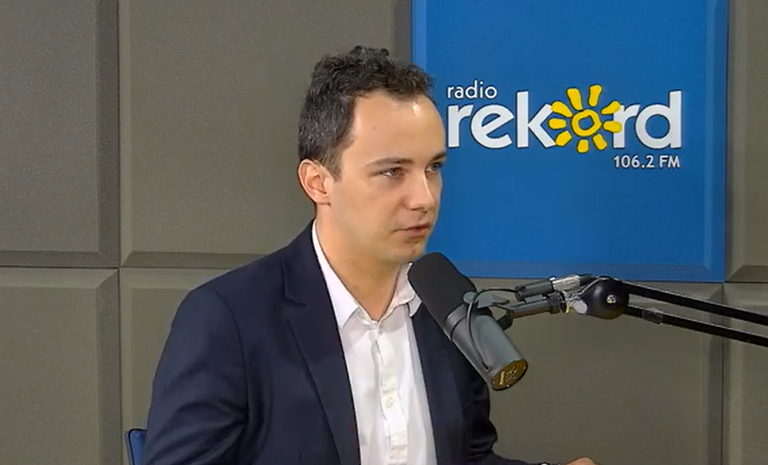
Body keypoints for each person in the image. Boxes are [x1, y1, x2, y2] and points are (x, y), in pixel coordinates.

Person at [141, 45, 598, 465]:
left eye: (433, 168)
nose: (424, 198)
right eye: (393, 172)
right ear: (318, 182)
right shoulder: (229, 319)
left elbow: (470, 457)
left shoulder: (448, 305)